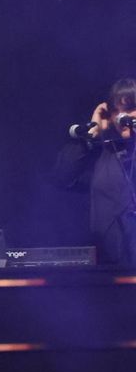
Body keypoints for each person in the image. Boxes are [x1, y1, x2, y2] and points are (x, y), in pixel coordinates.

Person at [50, 78, 136, 264]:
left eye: (130, 108)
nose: (122, 117)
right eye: (115, 111)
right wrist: (90, 135)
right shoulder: (103, 155)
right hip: (110, 270)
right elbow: (62, 178)